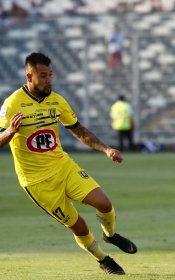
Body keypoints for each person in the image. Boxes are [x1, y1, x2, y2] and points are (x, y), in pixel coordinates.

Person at [0, 53, 137, 275]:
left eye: (50, 75)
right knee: (79, 226)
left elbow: (78, 130)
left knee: (104, 203)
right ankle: (102, 259)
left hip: (63, 166)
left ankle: (110, 235)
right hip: (37, 182)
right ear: (29, 76)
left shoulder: (57, 100)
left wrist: (106, 149)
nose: (48, 80)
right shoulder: (12, 104)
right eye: (43, 76)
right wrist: (9, 132)